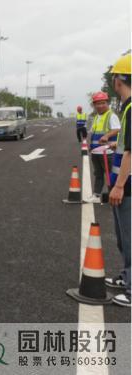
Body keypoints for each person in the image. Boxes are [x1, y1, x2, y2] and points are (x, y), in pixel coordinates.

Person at [106, 53, 131, 308]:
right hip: (124, 182)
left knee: (130, 237)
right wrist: (117, 143)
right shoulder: (126, 109)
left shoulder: (131, 108)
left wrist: (120, 185)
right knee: (123, 236)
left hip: (128, 185)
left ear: (119, 80)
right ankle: (126, 277)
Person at [88, 92, 120, 202]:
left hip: (108, 153)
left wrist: (107, 136)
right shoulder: (96, 117)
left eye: (103, 103)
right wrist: (91, 147)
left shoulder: (111, 115)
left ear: (107, 103)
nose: (100, 106)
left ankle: (113, 195)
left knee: (111, 175)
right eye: (97, 103)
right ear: (94, 105)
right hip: (96, 152)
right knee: (98, 174)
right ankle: (96, 196)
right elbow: (94, 133)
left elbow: (117, 129)